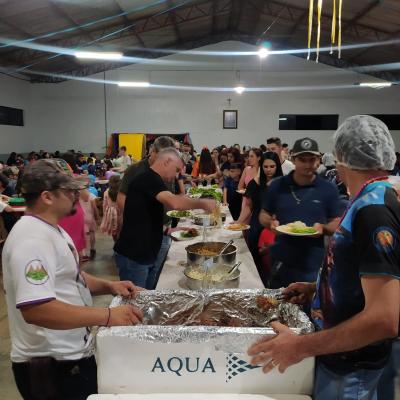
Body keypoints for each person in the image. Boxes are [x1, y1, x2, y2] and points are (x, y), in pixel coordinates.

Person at [248, 115, 400, 400]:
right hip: (341, 354)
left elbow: (384, 318)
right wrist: (318, 289)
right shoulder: (372, 196)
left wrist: (299, 347)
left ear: (341, 158)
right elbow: (361, 271)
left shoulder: (373, 210)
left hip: (350, 363)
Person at [2, 159, 143, 400]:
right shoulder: (32, 240)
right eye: (69, 191)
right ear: (47, 197)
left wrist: (108, 286)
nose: (77, 195)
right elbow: (36, 309)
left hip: (70, 355)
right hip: (51, 366)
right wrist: (107, 316)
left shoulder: (51, 229)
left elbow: (69, 276)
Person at [114, 148, 216, 289]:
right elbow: (175, 203)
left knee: (147, 296)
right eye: (176, 169)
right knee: (135, 302)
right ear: (167, 161)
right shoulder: (149, 178)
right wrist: (203, 203)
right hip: (135, 256)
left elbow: (143, 215)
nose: (176, 175)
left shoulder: (153, 179)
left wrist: (168, 230)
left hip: (145, 253)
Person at [259, 137, 341, 288]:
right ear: (293, 159)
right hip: (281, 260)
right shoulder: (278, 185)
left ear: (319, 160)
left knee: (308, 308)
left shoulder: (328, 189)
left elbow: (336, 222)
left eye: (312, 159)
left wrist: (324, 228)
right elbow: (263, 214)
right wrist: (270, 223)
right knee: (276, 305)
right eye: (302, 159)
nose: (308, 164)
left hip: (312, 263)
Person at [237, 152, 283, 284]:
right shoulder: (255, 184)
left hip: (276, 227)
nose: (268, 170)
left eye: (272, 166)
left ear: (277, 166)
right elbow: (248, 206)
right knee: (254, 261)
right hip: (256, 225)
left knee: (273, 264)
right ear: (261, 167)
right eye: (265, 166)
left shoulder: (283, 184)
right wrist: (239, 222)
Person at [101, 175, 123, 241]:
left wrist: (105, 215)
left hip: (111, 213)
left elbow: (104, 205)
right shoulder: (122, 191)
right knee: (121, 230)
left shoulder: (106, 192)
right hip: (121, 212)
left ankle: (116, 243)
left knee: (114, 231)